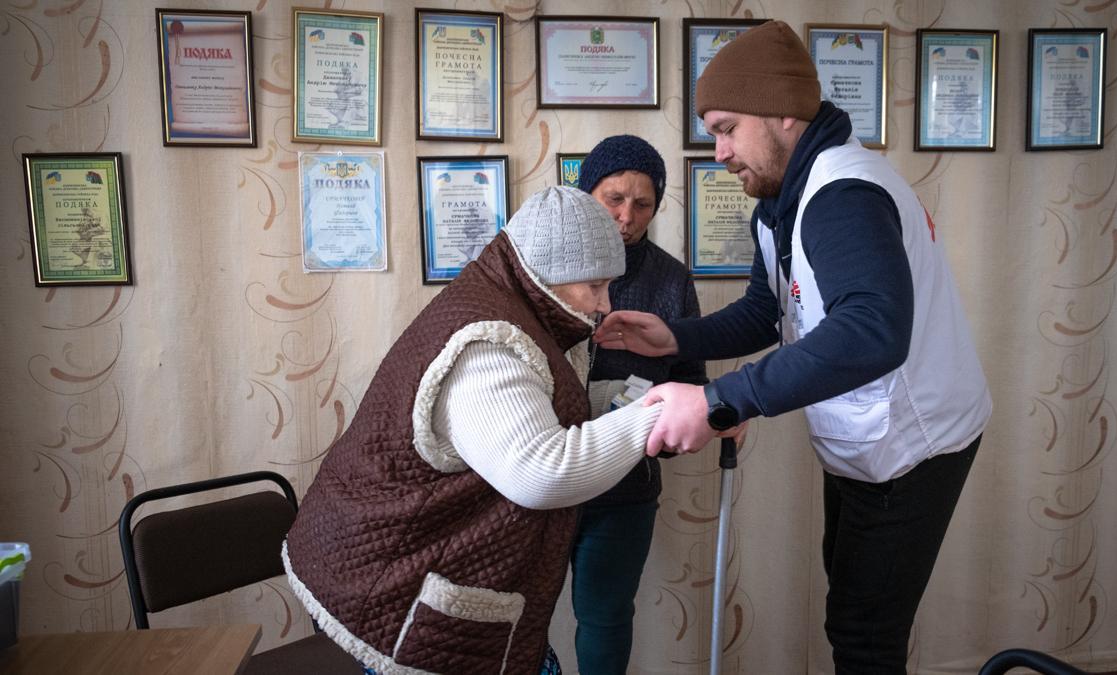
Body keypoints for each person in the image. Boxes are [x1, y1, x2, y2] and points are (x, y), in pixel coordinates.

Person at [595, 20, 992, 673]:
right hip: (865, 438)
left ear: (783, 114)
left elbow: (872, 328)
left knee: (863, 633)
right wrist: (677, 336)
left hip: (911, 445)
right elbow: (768, 310)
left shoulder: (842, 196)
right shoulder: (785, 200)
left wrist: (723, 398)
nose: (718, 152)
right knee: (852, 614)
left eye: (725, 128)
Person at [284, 187, 663, 675]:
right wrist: (656, 413)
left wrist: (642, 394)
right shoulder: (489, 344)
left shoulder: (514, 308)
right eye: (594, 286)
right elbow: (542, 472)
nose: (604, 302)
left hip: (393, 558)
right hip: (383, 577)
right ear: (546, 276)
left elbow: (536, 404)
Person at [569, 135, 708, 675]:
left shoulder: (671, 280)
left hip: (624, 482)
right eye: (614, 198)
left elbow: (691, 377)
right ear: (588, 195)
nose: (627, 216)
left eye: (643, 203)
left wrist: (661, 433)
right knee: (520, 611)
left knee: (604, 617)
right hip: (536, 473)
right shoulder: (549, 266)